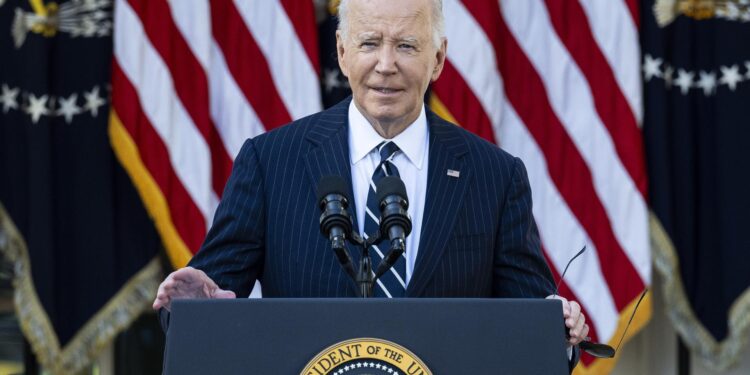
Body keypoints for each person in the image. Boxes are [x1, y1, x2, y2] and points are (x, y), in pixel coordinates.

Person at [153, 0, 588, 368]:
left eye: (406, 45)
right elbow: (205, 305)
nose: (385, 64)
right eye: (369, 43)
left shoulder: (494, 175)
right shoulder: (270, 161)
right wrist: (191, 306)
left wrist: (559, 329)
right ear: (342, 53)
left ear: (437, 59)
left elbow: (533, 328)